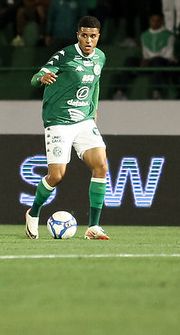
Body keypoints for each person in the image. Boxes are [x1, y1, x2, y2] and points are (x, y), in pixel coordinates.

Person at [25, 16, 110, 240]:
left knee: (101, 165)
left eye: (93, 36)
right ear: (78, 36)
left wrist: (94, 111)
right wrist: (41, 78)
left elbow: (96, 84)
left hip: (84, 121)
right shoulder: (65, 56)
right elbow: (35, 77)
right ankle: (33, 213)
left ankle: (93, 227)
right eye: (84, 35)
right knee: (57, 176)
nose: (88, 40)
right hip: (59, 120)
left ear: (98, 37)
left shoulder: (100, 57)